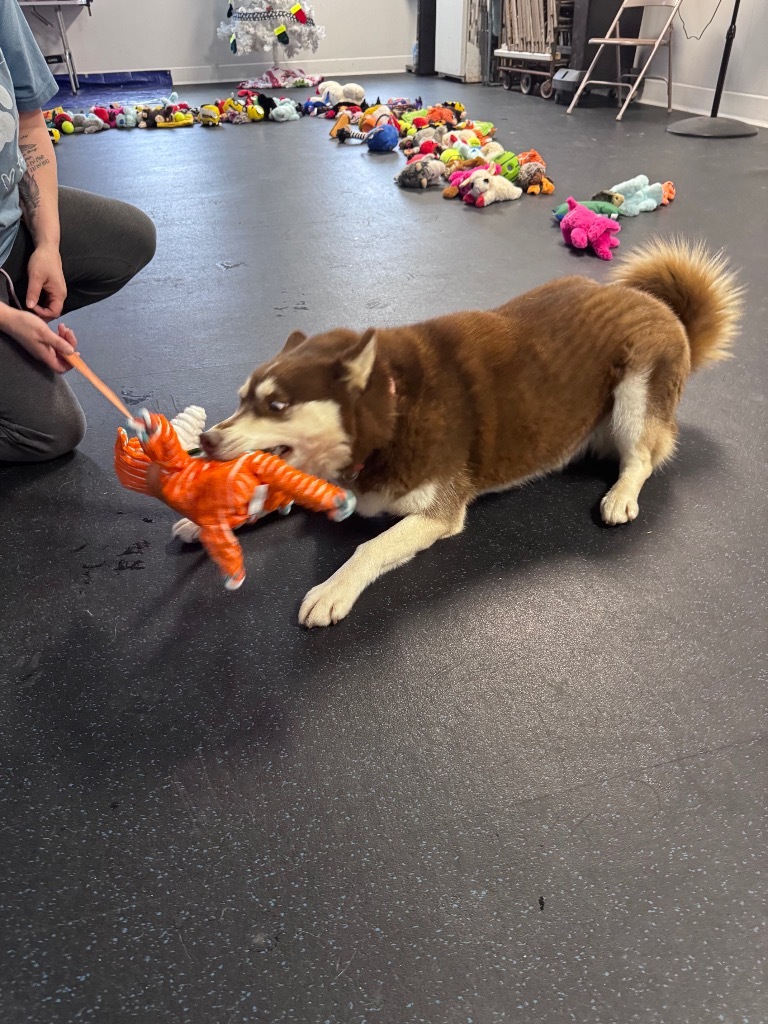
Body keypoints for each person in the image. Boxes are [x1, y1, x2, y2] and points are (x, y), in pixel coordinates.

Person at [0, 0, 156, 462]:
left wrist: (47, 244)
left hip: (8, 234)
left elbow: (29, 124)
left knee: (129, 239)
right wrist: (10, 322)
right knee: (50, 432)